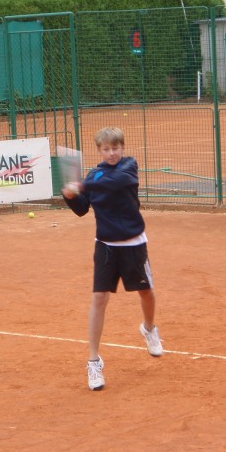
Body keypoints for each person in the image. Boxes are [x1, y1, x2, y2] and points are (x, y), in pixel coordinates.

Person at [62, 127, 163, 391]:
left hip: (134, 244)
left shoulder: (129, 167)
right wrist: (69, 196)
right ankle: (93, 362)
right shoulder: (93, 175)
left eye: (115, 148)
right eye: (106, 149)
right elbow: (82, 209)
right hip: (106, 246)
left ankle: (149, 328)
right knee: (99, 298)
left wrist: (81, 185)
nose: (111, 153)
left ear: (122, 148)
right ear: (99, 151)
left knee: (146, 293)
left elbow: (116, 182)